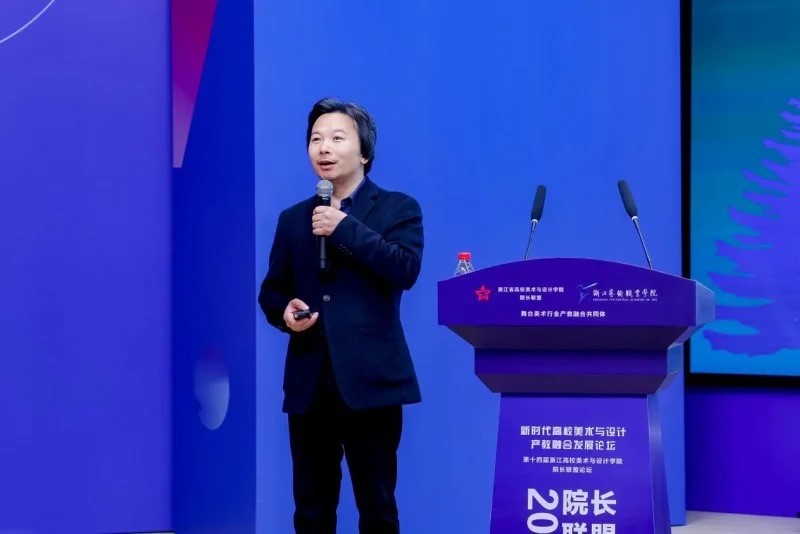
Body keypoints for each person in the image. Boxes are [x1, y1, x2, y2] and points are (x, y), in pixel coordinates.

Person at [258, 97, 424, 534]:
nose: (324, 148)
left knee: (377, 509)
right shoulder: (293, 219)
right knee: (311, 512)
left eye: (336, 138)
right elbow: (272, 291)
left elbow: (404, 269)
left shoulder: (398, 208)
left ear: (364, 151)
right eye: (316, 139)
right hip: (310, 384)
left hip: (372, 383)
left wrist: (343, 227)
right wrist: (284, 311)